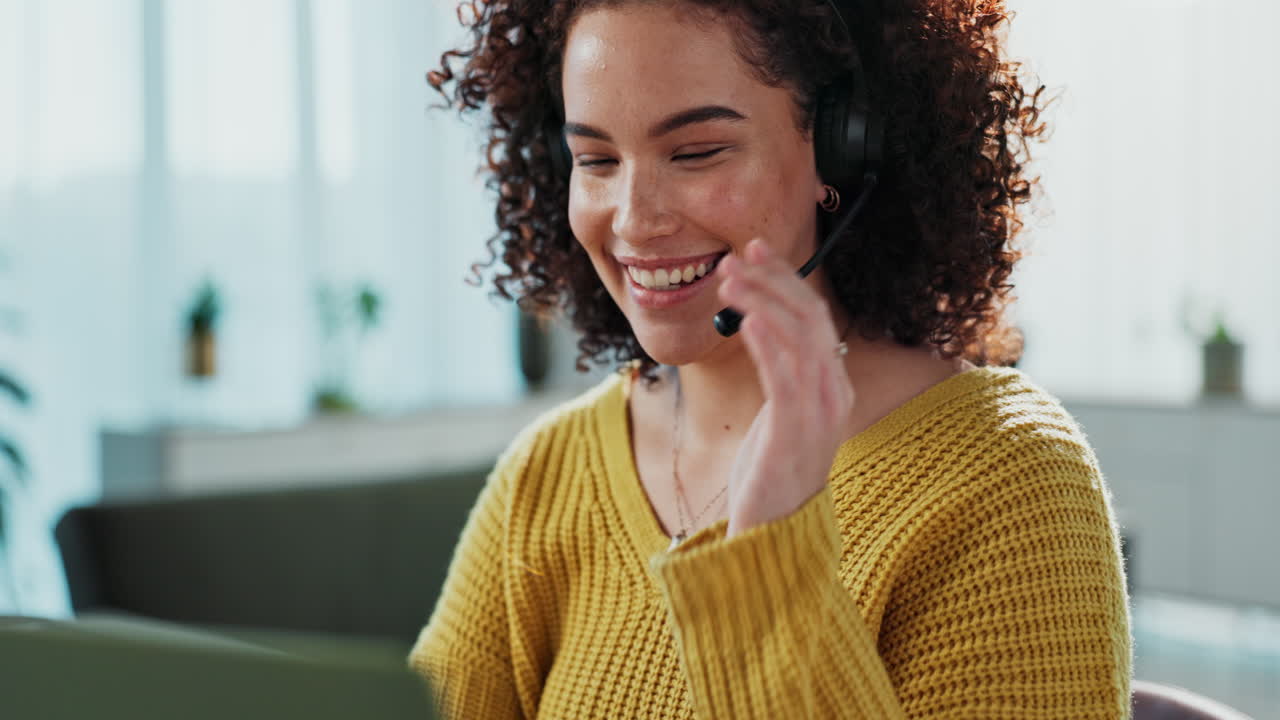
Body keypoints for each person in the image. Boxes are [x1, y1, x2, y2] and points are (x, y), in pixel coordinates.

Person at [409, 0, 1132, 718]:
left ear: (844, 148)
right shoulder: (548, 474)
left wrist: (773, 566)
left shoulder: (1007, 476)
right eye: (596, 160)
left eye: (696, 152)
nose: (633, 218)